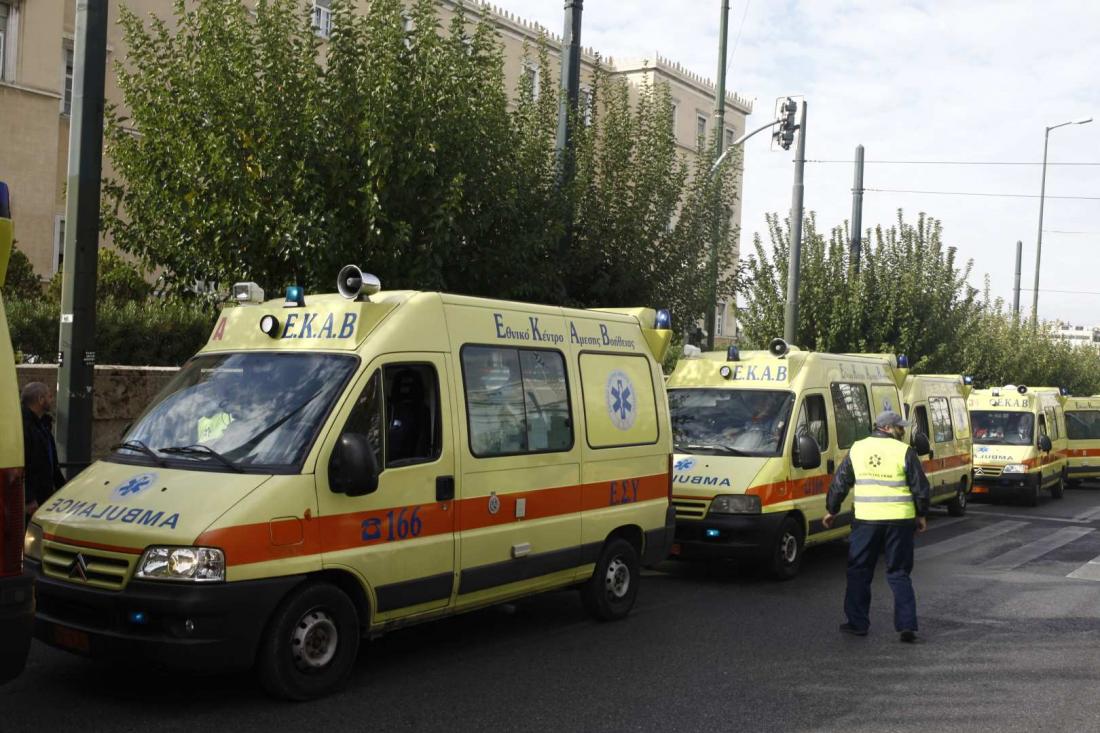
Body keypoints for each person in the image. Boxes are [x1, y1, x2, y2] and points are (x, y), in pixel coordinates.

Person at [823, 410, 930, 643]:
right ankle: (906, 625)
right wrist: (921, 514)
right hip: (900, 521)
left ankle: (857, 623)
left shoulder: (858, 448)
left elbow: (840, 482)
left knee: (859, 570)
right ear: (887, 428)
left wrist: (832, 509)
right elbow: (920, 487)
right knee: (899, 572)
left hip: (866, 520)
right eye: (899, 427)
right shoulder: (905, 451)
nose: (902, 431)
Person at [20, 382, 66, 525]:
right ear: (41, 399)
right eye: (49, 396)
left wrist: (62, 488)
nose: (52, 399)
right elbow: (24, 464)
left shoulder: (42, 424)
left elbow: (51, 460)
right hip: (33, 497)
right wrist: (29, 498)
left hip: (45, 493)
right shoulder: (24, 426)